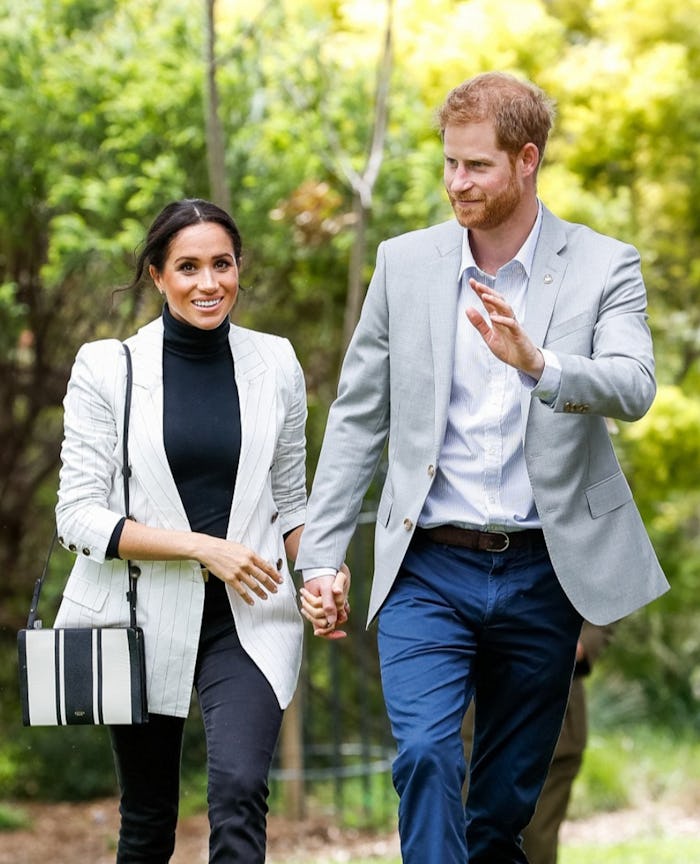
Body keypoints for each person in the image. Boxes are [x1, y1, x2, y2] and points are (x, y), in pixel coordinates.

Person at [296, 71, 669, 864]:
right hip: (428, 566)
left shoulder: (605, 265)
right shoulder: (406, 264)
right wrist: (323, 554)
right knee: (428, 757)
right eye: (449, 164)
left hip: (545, 572)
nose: (455, 183)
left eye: (477, 167)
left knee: (501, 811)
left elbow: (635, 387)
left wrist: (543, 364)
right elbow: (361, 414)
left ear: (526, 160)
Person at [53, 199, 308, 863]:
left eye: (221, 264)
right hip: (139, 615)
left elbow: (292, 501)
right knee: (148, 820)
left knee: (240, 790)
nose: (208, 283)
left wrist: (323, 575)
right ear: (157, 276)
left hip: (247, 612)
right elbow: (77, 516)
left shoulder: (277, 363)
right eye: (187, 267)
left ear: (238, 268)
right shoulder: (107, 367)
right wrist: (201, 547)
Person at [461, 621, 614, 864]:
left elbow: (611, 593)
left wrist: (580, 644)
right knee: (474, 837)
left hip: (556, 724)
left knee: (536, 845)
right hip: (478, 723)